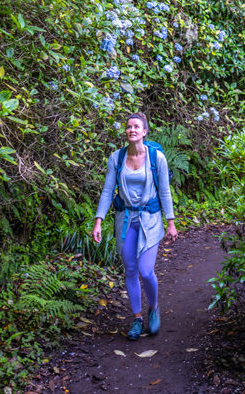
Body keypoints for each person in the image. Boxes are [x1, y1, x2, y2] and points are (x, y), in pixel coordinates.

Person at [93, 112, 178, 340]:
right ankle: (138, 318)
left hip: (149, 221)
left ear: (144, 132)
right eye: (129, 127)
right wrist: (98, 221)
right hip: (126, 220)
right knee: (130, 270)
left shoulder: (156, 158)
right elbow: (108, 190)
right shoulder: (116, 158)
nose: (132, 130)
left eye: (136, 127)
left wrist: (170, 223)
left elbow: (165, 191)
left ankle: (154, 308)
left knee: (146, 270)